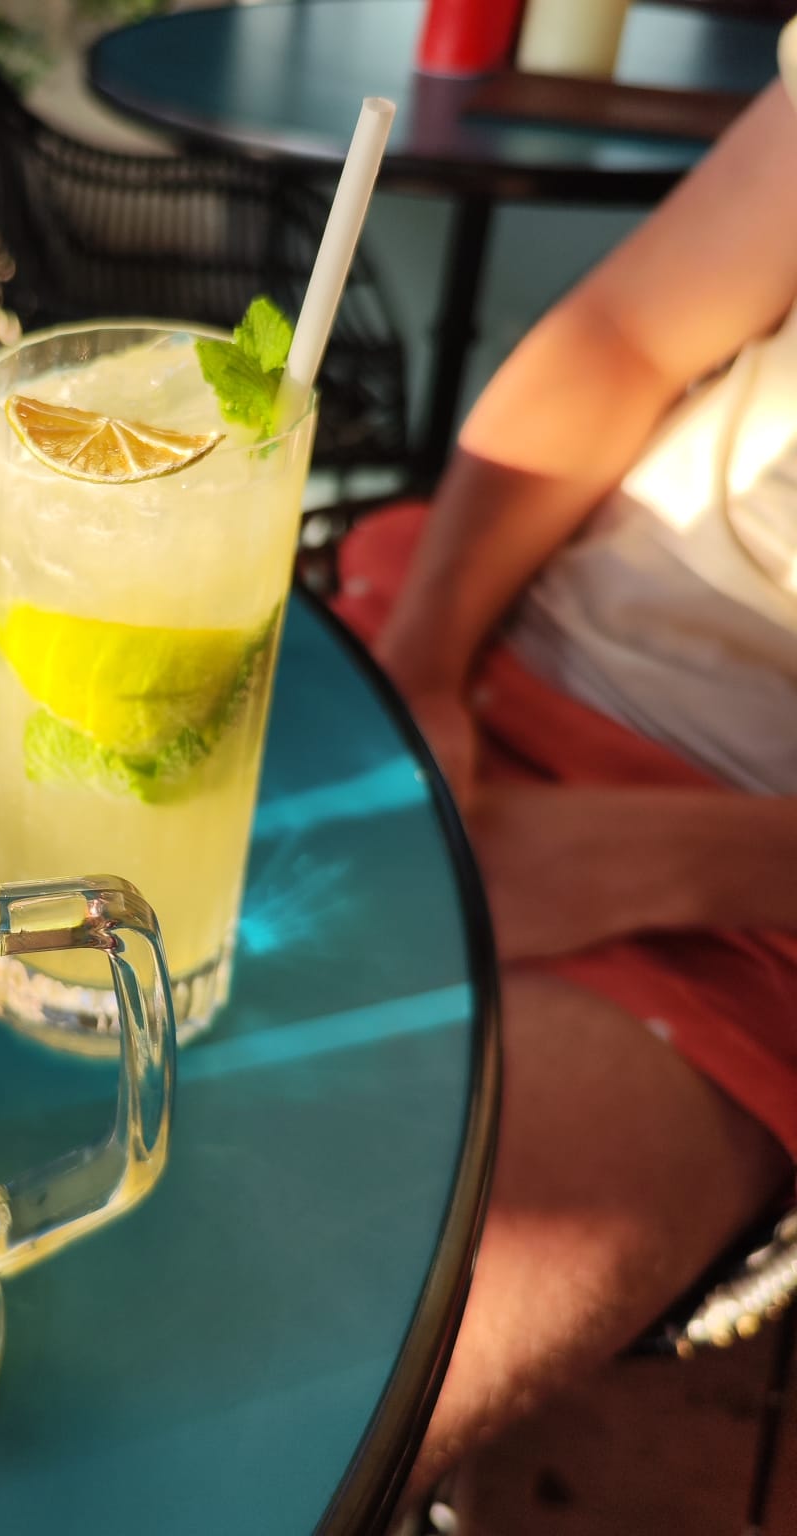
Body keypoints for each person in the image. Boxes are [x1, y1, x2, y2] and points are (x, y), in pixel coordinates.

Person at [334, 27, 797, 1507]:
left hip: (748, 891)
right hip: (494, 645)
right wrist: (426, 664)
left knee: (299, 1354)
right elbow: (626, 340)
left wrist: (650, 861)